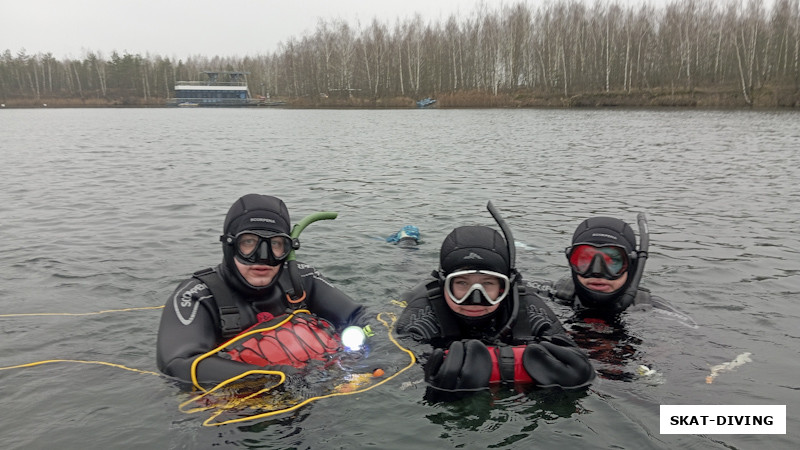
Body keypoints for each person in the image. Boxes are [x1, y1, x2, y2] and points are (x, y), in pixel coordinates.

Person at [156, 194, 366, 386]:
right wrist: (272, 376)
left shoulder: (301, 280)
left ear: (288, 248)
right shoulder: (198, 296)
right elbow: (176, 366)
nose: (263, 257)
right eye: (249, 242)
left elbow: (361, 317)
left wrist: (382, 343)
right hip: (239, 415)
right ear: (229, 245)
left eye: (276, 244)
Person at [394, 202, 595, 395]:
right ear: (444, 285)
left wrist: (575, 378)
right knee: (406, 267)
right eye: (462, 283)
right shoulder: (420, 315)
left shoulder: (526, 306)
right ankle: (407, 244)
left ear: (505, 287)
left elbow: (569, 353)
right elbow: (400, 371)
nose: (475, 299)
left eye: (488, 284)